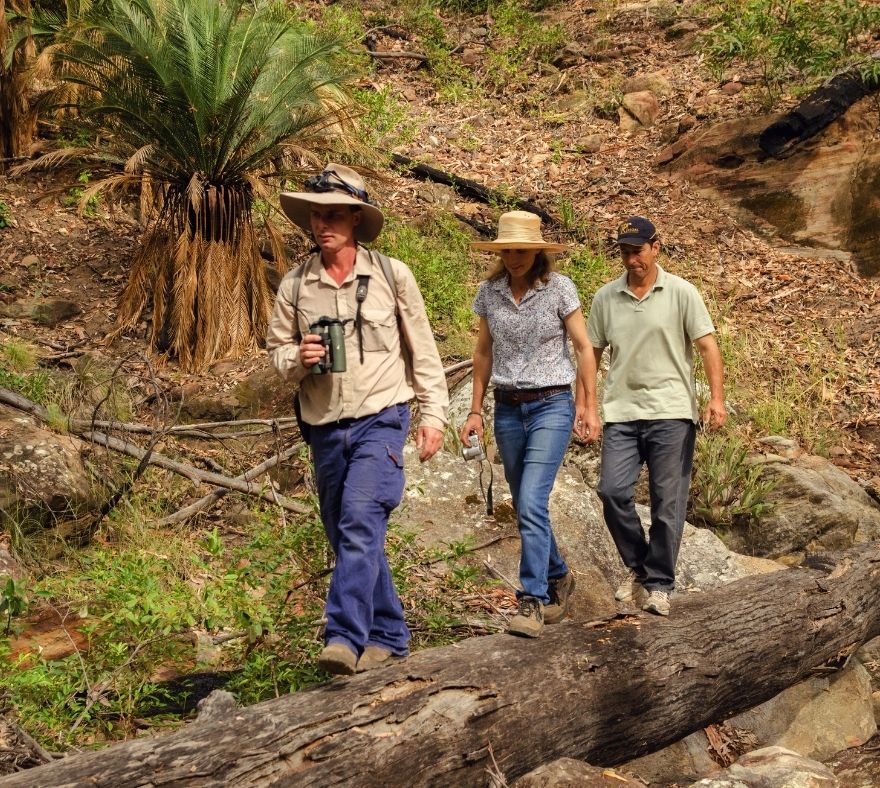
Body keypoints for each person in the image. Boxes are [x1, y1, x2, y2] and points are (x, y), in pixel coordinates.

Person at [267, 163, 448, 675]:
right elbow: (276, 354)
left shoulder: (391, 275)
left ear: (354, 218)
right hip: (324, 426)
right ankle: (388, 635)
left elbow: (423, 349)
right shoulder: (296, 285)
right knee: (348, 534)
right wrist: (297, 358)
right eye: (315, 215)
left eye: (332, 215)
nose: (321, 224)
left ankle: (344, 636)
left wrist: (434, 415)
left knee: (360, 520)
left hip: (382, 418)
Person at [460, 211, 600, 638]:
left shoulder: (559, 288)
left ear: (538, 251)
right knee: (523, 502)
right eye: (507, 251)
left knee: (533, 500)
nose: (515, 258)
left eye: (522, 250)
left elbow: (583, 347)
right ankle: (557, 573)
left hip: (551, 405)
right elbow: (483, 352)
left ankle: (532, 599)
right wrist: (474, 410)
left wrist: (588, 405)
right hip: (507, 408)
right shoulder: (490, 292)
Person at [586, 216, 726, 617]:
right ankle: (638, 565)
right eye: (625, 252)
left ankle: (659, 584)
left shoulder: (681, 292)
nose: (632, 259)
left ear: (656, 248)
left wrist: (716, 399)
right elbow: (590, 353)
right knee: (611, 492)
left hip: (672, 412)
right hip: (622, 412)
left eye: (638, 251)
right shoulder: (605, 298)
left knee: (668, 505)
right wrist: (587, 405)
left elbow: (707, 347)